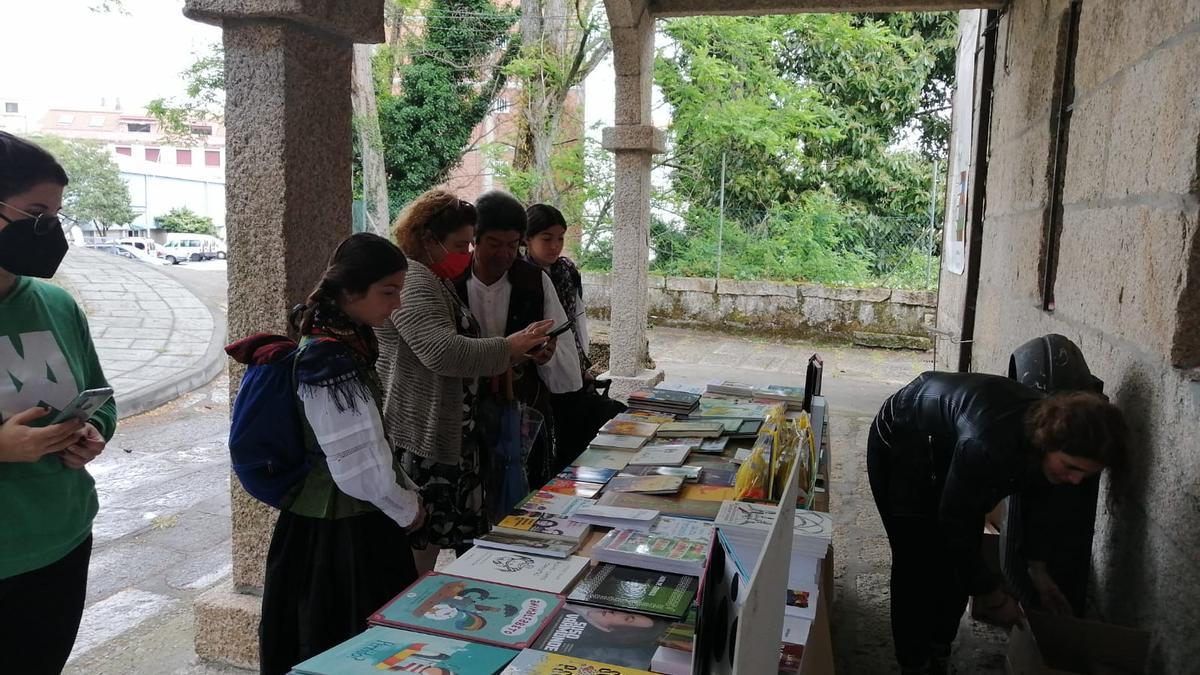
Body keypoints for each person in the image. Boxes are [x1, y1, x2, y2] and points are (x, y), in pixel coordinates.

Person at [867, 371, 1129, 675]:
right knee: (917, 559)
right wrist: (991, 594)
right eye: (1071, 468)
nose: (1076, 479)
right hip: (905, 435)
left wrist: (1039, 572)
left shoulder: (1054, 449)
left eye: (1086, 473)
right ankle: (913, 661)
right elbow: (956, 522)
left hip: (956, 444)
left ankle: (939, 645)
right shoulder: (991, 444)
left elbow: (1041, 504)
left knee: (957, 566)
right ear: (1046, 442)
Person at [257, 233, 426, 675]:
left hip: (334, 527)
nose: (397, 304)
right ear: (350, 291)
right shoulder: (328, 362)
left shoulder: (346, 345)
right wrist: (408, 510)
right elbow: (357, 468)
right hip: (342, 538)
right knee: (347, 643)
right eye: (388, 292)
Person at [377, 190, 550, 574]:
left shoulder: (430, 278)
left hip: (451, 433)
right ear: (426, 238)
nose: (465, 253)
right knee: (422, 545)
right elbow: (443, 352)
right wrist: (509, 347)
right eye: (459, 244)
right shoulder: (414, 280)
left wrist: (517, 352)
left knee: (444, 537)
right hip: (425, 435)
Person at [0, 131, 116, 674]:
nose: (51, 230)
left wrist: (91, 433)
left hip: (63, 542)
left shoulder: (55, 302)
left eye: (57, 215)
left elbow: (98, 396)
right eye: (37, 212)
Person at [454, 191, 582, 490]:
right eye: (494, 244)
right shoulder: (451, 280)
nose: (504, 254)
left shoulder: (535, 281)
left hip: (522, 407)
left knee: (522, 485)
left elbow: (561, 345)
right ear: (475, 239)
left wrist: (546, 354)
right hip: (462, 408)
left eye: (513, 245)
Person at [523, 203, 626, 468]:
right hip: (533, 371)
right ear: (527, 238)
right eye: (546, 239)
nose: (554, 246)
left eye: (560, 239)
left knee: (576, 438)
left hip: (569, 364)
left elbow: (575, 324)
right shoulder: (521, 276)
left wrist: (581, 365)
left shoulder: (566, 271)